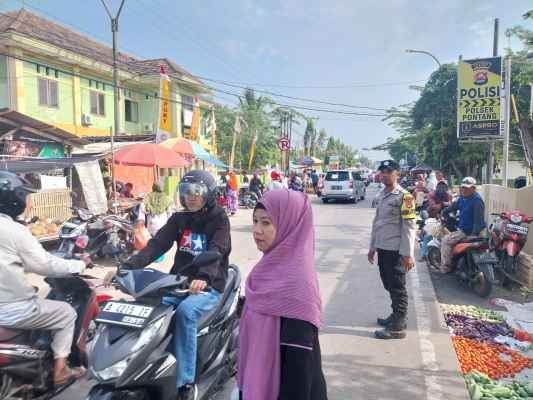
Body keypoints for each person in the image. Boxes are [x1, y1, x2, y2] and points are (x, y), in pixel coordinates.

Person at [105, 170, 231, 396]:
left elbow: (217, 249)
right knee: (147, 307)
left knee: (185, 313)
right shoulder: (179, 218)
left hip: (209, 285)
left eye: (196, 192)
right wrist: (127, 267)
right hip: (178, 282)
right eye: (186, 192)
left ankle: (185, 383)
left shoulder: (219, 218)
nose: (190, 197)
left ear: (208, 194)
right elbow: (156, 245)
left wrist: (203, 277)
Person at [0, 172, 91, 385]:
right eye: (27, 197)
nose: (29, 203)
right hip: (9, 310)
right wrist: (80, 264)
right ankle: (61, 370)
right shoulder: (14, 230)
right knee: (65, 313)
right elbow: (44, 265)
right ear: (15, 198)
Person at [238, 189, 327, 400]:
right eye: (255, 221)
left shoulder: (297, 288)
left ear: (290, 226)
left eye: (266, 223)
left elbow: (299, 371)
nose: (257, 230)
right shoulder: (264, 270)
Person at [368, 160, 417, 340]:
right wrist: (372, 247)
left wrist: (407, 254)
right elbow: (377, 223)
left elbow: (410, 226)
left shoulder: (405, 197)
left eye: (389, 171)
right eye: (382, 172)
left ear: (398, 173)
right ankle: (395, 315)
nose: (385, 175)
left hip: (396, 250)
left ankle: (398, 326)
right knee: (388, 283)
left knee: (397, 286)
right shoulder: (381, 194)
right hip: (383, 247)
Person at [440, 177, 486, 273]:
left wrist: (472, 235)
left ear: (473, 188)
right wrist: (444, 211)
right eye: (463, 187)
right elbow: (453, 207)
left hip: (470, 232)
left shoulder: (477, 201)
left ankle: (446, 267)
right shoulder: (462, 198)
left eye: (467, 188)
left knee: (445, 241)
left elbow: (478, 220)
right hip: (467, 230)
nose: (464, 190)